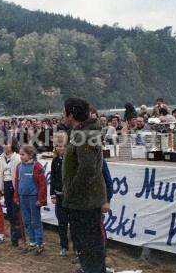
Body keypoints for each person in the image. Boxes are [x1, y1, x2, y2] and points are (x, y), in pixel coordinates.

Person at [62, 98, 107, 273]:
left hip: (84, 201)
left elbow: (87, 168)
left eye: (64, 111)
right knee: (86, 245)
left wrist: (71, 190)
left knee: (89, 245)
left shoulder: (85, 135)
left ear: (70, 114)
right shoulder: (83, 132)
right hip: (83, 200)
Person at [14, 145, 47, 255]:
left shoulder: (37, 166)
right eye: (20, 155)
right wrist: (16, 196)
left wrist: (41, 199)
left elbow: (43, 185)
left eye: (23, 155)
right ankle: (32, 242)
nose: (21, 157)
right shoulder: (19, 166)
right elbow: (17, 182)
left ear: (31, 155)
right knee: (27, 221)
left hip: (33, 198)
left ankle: (39, 244)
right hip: (22, 197)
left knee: (35, 221)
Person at [0, 138, 22, 247]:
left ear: (13, 145)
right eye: (4, 144)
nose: (5, 146)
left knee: (16, 214)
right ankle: (14, 238)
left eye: (8, 144)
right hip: (6, 186)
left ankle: (19, 237)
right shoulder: (1, 158)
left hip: (15, 186)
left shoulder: (18, 158)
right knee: (10, 213)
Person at [50, 140, 70, 257]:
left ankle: (78, 248)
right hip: (59, 196)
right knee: (61, 222)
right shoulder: (55, 161)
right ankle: (63, 246)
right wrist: (52, 194)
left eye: (61, 146)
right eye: (57, 146)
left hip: (70, 197)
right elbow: (52, 178)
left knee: (74, 223)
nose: (59, 148)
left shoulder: (71, 161)